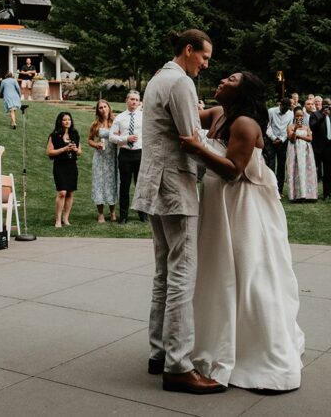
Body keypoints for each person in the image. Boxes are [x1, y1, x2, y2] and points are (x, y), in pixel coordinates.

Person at [180, 71, 304, 392]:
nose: (222, 79)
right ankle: (214, 342)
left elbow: (233, 172)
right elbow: (189, 113)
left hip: (243, 207)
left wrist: (197, 148)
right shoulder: (220, 114)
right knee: (218, 274)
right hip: (219, 203)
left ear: (244, 91)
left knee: (248, 274)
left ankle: (259, 355)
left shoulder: (245, 124)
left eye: (231, 79)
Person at [132, 29, 221, 394]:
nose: (205, 65)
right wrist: (226, 157)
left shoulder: (158, 78)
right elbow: (191, 138)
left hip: (153, 183)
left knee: (163, 273)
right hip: (174, 187)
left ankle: (158, 353)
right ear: (189, 50)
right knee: (183, 274)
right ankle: (179, 366)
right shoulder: (181, 83)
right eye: (204, 58)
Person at [110, 90, 145, 223]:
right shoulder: (119, 118)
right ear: (127, 101)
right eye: (132, 99)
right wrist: (126, 138)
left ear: (139, 102)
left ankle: (143, 215)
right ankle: (123, 216)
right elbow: (112, 137)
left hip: (140, 154)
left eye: (136, 100)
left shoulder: (143, 117)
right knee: (124, 186)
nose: (134, 102)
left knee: (140, 185)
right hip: (125, 155)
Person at [47, 111, 82, 228]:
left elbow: (80, 152)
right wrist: (64, 149)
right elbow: (49, 152)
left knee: (70, 192)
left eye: (69, 119)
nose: (67, 121)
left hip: (72, 165)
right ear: (60, 121)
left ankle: (65, 218)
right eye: (64, 120)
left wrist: (76, 149)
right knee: (62, 192)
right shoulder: (54, 135)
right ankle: (57, 219)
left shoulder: (75, 134)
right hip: (60, 166)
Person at [88, 99, 118, 223]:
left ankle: (112, 212)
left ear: (109, 108)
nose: (103, 109)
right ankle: (100, 213)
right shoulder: (95, 124)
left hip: (113, 157)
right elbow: (89, 139)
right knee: (99, 183)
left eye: (105, 106)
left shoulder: (116, 122)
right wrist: (96, 144)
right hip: (100, 157)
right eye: (100, 107)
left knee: (112, 183)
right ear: (98, 110)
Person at [309, 98, 331, 199]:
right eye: (324, 104)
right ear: (321, 105)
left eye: (328, 104)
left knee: (329, 173)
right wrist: (322, 117)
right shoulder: (315, 115)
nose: (326, 106)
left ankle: (327, 194)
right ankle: (310, 193)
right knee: (313, 171)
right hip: (318, 148)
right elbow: (313, 127)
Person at [286, 107, 317, 202]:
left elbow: (310, 139)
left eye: (301, 116)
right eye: (297, 116)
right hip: (294, 150)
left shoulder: (306, 127)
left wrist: (299, 136)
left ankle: (308, 195)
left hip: (306, 151)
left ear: (303, 117)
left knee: (306, 171)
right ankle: (296, 195)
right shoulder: (290, 126)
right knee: (295, 171)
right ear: (294, 116)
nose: (299, 117)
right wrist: (295, 129)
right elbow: (292, 139)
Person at [264, 99, 293, 196]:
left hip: (283, 142)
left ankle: (279, 190)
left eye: (287, 109)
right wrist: (273, 138)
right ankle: (270, 189)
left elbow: (289, 128)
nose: (285, 110)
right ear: (280, 105)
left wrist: (282, 139)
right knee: (270, 164)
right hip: (270, 140)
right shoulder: (271, 111)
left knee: (281, 166)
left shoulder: (291, 114)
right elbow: (267, 126)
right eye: (284, 108)